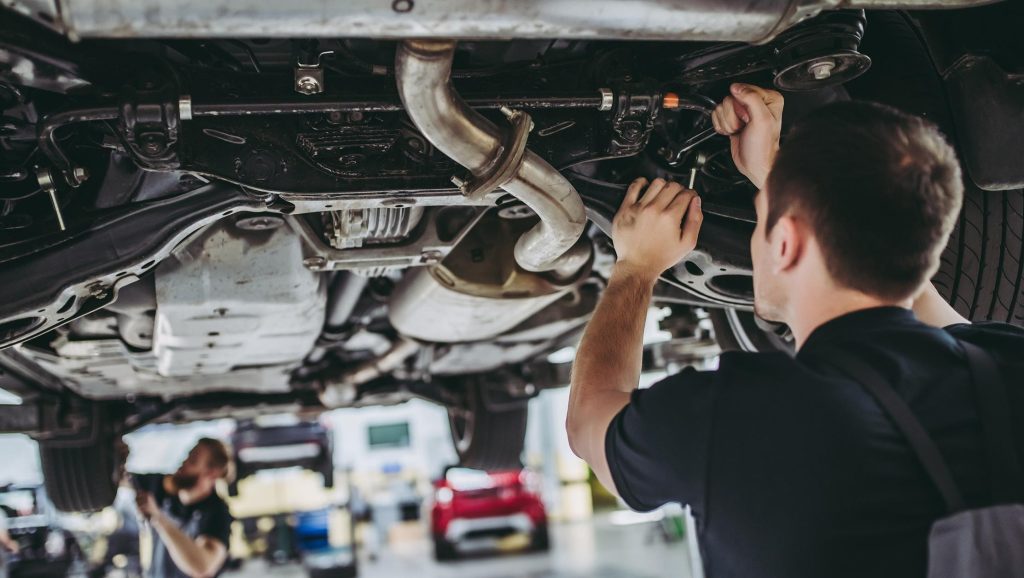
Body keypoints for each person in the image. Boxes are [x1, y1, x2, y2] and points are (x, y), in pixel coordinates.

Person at [566, 83, 1024, 578]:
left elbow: (589, 421)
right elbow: (920, 297)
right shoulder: (1005, 367)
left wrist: (636, 267)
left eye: (761, 223)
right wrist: (778, 178)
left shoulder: (733, 419)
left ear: (784, 242)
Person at [132, 438, 233, 578]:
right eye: (187, 456)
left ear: (211, 473)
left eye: (193, 461)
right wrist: (116, 457)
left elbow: (203, 567)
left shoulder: (217, 513)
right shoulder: (161, 486)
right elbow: (118, 478)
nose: (183, 463)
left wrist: (158, 518)